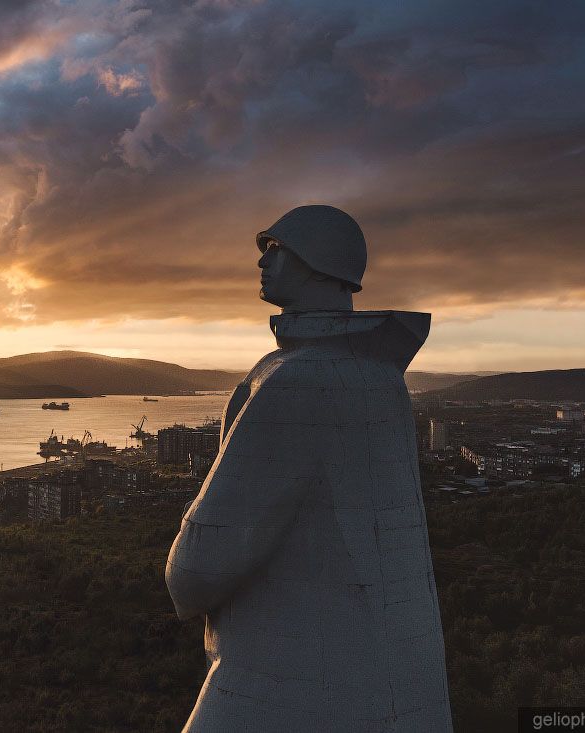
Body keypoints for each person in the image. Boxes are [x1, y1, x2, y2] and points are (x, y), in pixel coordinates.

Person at [166, 205, 453, 732]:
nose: (261, 261)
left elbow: (197, 569)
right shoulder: (380, 378)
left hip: (279, 678)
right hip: (384, 676)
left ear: (319, 263)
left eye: (275, 249)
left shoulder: (296, 381)